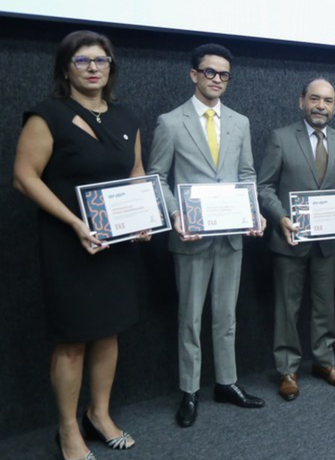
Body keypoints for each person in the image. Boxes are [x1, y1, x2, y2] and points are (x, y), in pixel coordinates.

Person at [13, 30, 145, 460]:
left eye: (101, 60)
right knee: (71, 341)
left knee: (109, 333)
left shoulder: (126, 116)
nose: (93, 68)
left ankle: (99, 415)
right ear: (66, 68)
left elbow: (136, 173)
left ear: (111, 67)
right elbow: (24, 177)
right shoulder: (47, 114)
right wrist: (74, 222)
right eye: (83, 61)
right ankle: (68, 430)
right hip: (69, 244)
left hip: (116, 245)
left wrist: (144, 217)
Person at [146, 43, 266, 428]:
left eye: (224, 74)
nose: (217, 79)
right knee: (189, 318)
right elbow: (157, 178)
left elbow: (247, 174)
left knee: (226, 316)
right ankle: (190, 390)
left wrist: (253, 212)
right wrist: (176, 213)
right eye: (209, 72)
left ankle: (226, 382)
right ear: (193, 74)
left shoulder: (240, 122)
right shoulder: (170, 121)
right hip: (191, 237)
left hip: (231, 236)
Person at [259, 77, 335, 401]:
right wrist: (281, 219)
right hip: (290, 239)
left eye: (328, 101)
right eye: (315, 99)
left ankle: (324, 362)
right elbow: (264, 187)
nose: (321, 106)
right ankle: (287, 369)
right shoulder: (280, 138)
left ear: (334, 106)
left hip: (328, 241)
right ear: (301, 100)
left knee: (324, 305)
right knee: (287, 308)